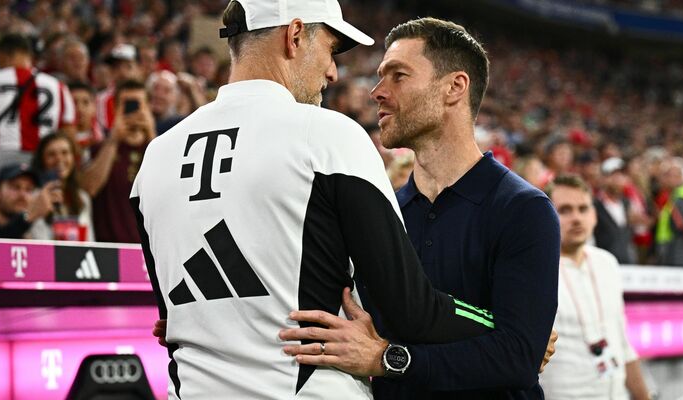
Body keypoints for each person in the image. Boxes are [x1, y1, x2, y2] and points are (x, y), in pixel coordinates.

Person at [133, 1, 496, 398]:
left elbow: (169, 322)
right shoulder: (327, 137)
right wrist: (499, 324)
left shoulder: (156, 156)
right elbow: (412, 310)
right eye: (329, 48)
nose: (332, 71)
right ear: (293, 36)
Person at [280, 18, 560, 400]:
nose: (377, 92)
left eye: (398, 76)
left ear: (454, 87)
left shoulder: (524, 210)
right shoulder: (382, 209)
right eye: (380, 77)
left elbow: (517, 357)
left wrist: (388, 358)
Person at [539, 174, 650, 400]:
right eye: (565, 210)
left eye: (583, 209)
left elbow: (623, 344)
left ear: (594, 215)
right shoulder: (535, 269)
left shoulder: (607, 263)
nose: (576, 218)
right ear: (545, 216)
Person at [0, 33, 76, 193]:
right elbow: (69, 138)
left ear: (2, 55)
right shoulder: (58, 87)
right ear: (29, 56)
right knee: (38, 207)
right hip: (41, 162)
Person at [83, 80, 154, 243]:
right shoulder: (99, 149)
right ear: (115, 108)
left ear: (148, 107)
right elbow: (90, 188)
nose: (133, 111)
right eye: (127, 105)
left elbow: (170, 188)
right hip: (109, 248)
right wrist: (113, 140)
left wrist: (151, 134)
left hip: (149, 249)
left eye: (138, 105)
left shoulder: (158, 147)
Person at [27, 132, 94, 241]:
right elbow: (38, 243)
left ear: (73, 158)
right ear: (41, 161)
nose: (59, 159)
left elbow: (90, 242)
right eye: (51, 154)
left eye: (65, 153)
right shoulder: (34, 197)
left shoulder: (83, 198)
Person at [593, 157, 637, 264]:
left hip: (627, 264)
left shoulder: (627, 204)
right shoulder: (594, 205)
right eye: (613, 175)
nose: (618, 179)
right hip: (603, 264)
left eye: (622, 174)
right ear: (603, 178)